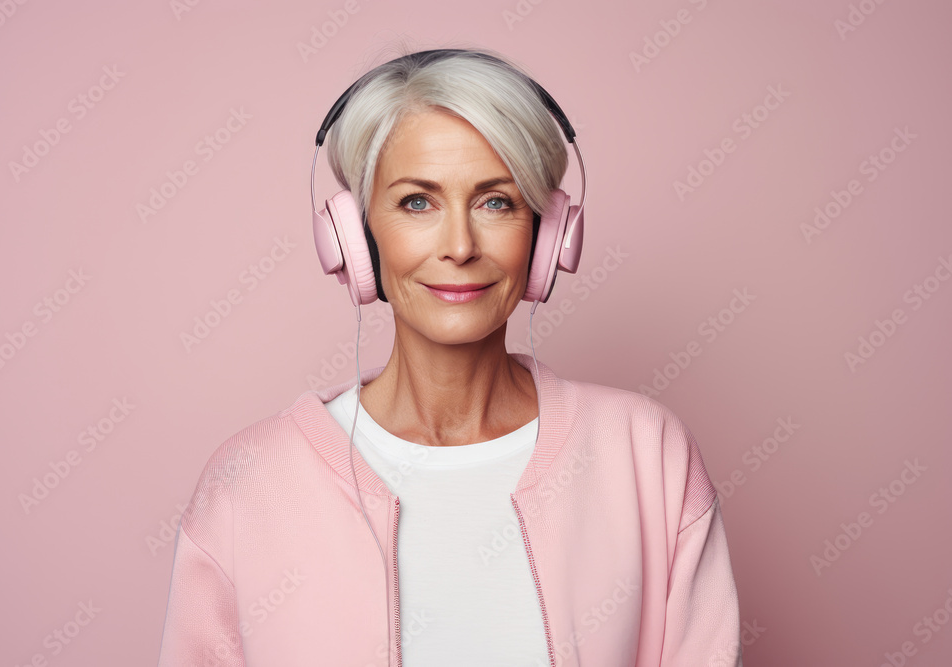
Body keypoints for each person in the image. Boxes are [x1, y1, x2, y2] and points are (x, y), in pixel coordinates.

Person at [157, 46, 742, 667]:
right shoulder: (248, 483)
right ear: (354, 237)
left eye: (497, 202)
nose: (460, 246)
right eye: (417, 202)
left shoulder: (648, 454)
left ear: (548, 237)